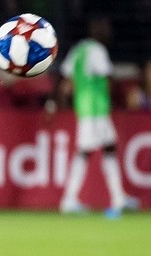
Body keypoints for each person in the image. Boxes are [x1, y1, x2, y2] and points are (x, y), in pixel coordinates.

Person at [58, 16, 138, 217]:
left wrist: (65, 99)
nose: (109, 32)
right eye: (106, 28)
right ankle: (69, 200)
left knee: (109, 147)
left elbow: (67, 79)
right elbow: (107, 77)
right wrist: (120, 98)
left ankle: (118, 196)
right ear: (98, 31)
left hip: (85, 106)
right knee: (85, 152)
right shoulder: (98, 50)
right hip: (95, 108)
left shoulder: (78, 49)